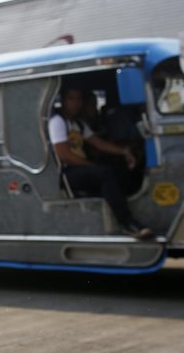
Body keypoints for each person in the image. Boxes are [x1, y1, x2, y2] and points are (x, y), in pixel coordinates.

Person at [49, 87, 153, 239]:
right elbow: (65, 155)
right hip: (68, 173)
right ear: (63, 101)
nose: (76, 103)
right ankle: (127, 223)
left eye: (78, 99)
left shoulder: (78, 123)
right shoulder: (57, 122)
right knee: (104, 172)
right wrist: (91, 165)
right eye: (71, 98)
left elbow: (99, 143)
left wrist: (124, 152)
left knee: (122, 169)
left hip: (80, 168)